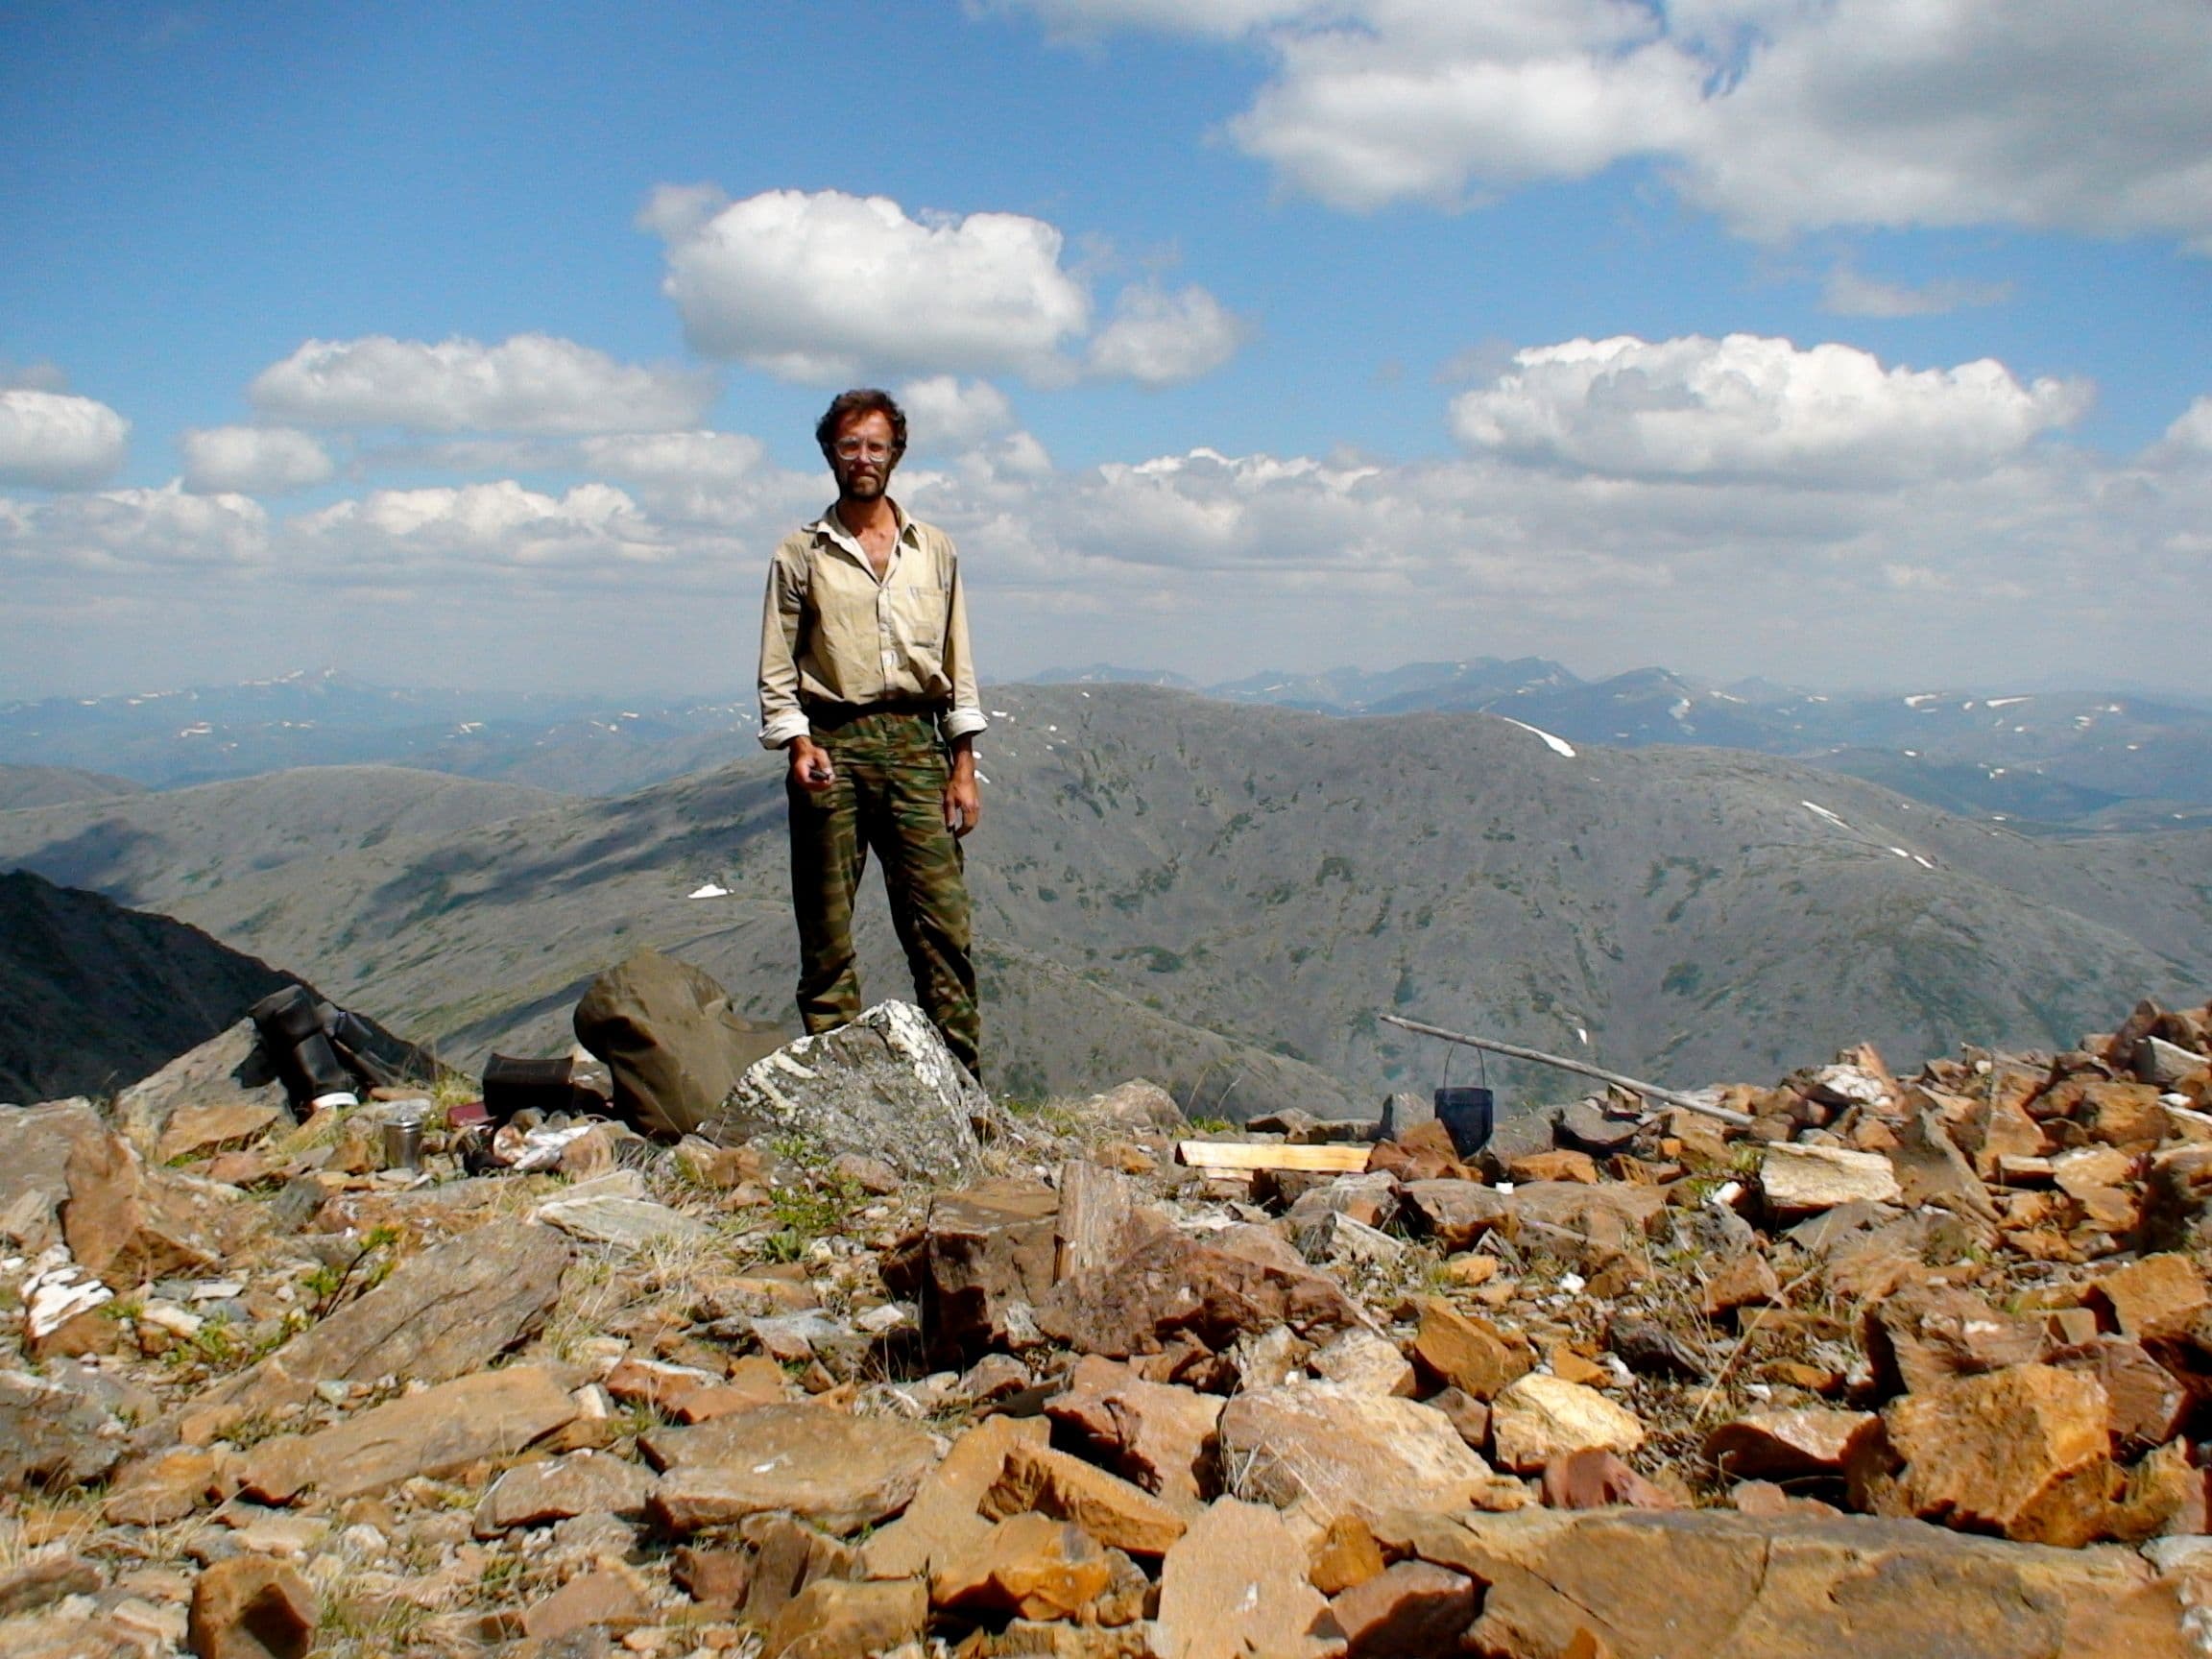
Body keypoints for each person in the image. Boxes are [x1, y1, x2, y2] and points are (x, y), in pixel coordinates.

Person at [757, 388, 986, 1077]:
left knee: (941, 924)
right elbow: (777, 664)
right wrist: (797, 744)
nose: (863, 458)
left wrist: (964, 765)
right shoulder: (801, 553)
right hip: (833, 742)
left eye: (876, 446)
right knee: (826, 925)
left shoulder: (933, 549)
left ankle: (960, 1088)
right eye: (850, 445)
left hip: (919, 742)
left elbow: (957, 658)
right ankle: (840, 1086)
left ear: (896, 455)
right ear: (831, 452)